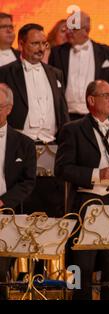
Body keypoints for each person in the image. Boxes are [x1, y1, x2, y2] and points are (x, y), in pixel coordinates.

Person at [54, 80, 109, 300]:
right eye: (107, 95)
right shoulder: (72, 129)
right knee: (81, 266)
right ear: (91, 100)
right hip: (86, 203)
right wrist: (97, 174)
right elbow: (62, 169)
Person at [0, 23, 69, 218]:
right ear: (21, 44)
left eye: (44, 44)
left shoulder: (55, 73)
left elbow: (62, 111)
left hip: (51, 147)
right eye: (35, 43)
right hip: (18, 147)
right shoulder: (5, 73)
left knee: (50, 204)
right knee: (22, 204)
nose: (40, 48)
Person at [49, 12, 109, 121]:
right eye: (68, 28)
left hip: (97, 116)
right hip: (66, 117)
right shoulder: (57, 53)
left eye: (73, 29)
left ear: (86, 30)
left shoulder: (106, 53)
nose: (68, 32)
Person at [0, 83, 37, 300]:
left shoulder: (24, 144)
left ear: (9, 109)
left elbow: (28, 182)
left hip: (7, 216)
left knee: (0, 270)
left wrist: (3, 202)